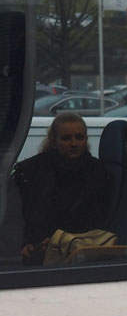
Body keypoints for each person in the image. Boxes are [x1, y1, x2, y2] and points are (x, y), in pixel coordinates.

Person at [12, 112, 110, 265]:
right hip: (38, 251)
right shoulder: (30, 172)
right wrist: (26, 244)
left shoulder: (99, 174)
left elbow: (98, 222)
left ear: (86, 139)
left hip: (83, 252)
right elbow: (17, 217)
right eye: (66, 138)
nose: (74, 143)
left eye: (79, 137)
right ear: (54, 140)